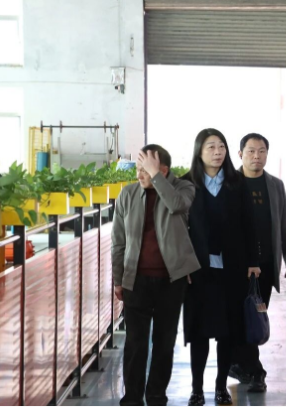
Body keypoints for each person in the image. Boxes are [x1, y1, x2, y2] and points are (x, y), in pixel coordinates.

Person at [112, 144, 201, 406]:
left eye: (146, 169)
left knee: (164, 342)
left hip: (171, 280)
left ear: (163, 170)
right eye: (138, 169)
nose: (139, 174)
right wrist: (118, 279)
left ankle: (156, 396)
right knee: (135, 342)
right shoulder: (128, 194)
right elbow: (118, 242)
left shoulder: (184, 188)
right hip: (136, 279)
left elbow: (176, 205)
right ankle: (132, 398)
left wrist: (156, 177)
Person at [182, 129, 259, 406]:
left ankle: (220, 387)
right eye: (211, 147)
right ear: (199, 151)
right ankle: (196, 389)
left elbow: (250, 224)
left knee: (228, 332)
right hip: (198, 271)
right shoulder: (187, 184)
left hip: (232, 269)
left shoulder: (237, 184)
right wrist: (182, 265)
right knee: (199, 332)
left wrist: (253, 261)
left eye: (221, 146)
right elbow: (178, 230)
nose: (218, 152)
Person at [229, 133, 286, 392]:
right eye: (250, 151)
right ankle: (254, 370)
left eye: (261, 151)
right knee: (237, 318)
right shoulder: (229, 184)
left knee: (254, 317)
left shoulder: (275, 185)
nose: (256, 156)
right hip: (236, 265)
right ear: (240, 154)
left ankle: (245, 366)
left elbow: (285, 224)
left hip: (266, 266)